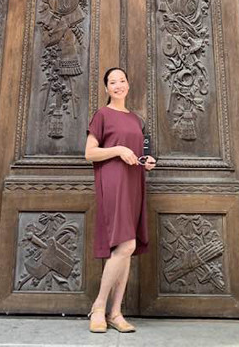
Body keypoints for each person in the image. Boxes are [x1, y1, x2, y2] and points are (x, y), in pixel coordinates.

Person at [85, 67, 156, 333]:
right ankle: (99, 307)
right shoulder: (102, 115)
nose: (118, 85)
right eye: (113, 82)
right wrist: (118, 150)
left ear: (128, 84)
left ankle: (115, 313)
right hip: (113, 182)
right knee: (126, 244)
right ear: (106, 88)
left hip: (134, 182)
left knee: (127, 248)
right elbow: (90, 153)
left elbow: (137, 152)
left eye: (122, 80)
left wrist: (146, 161)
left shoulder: (136, 119)